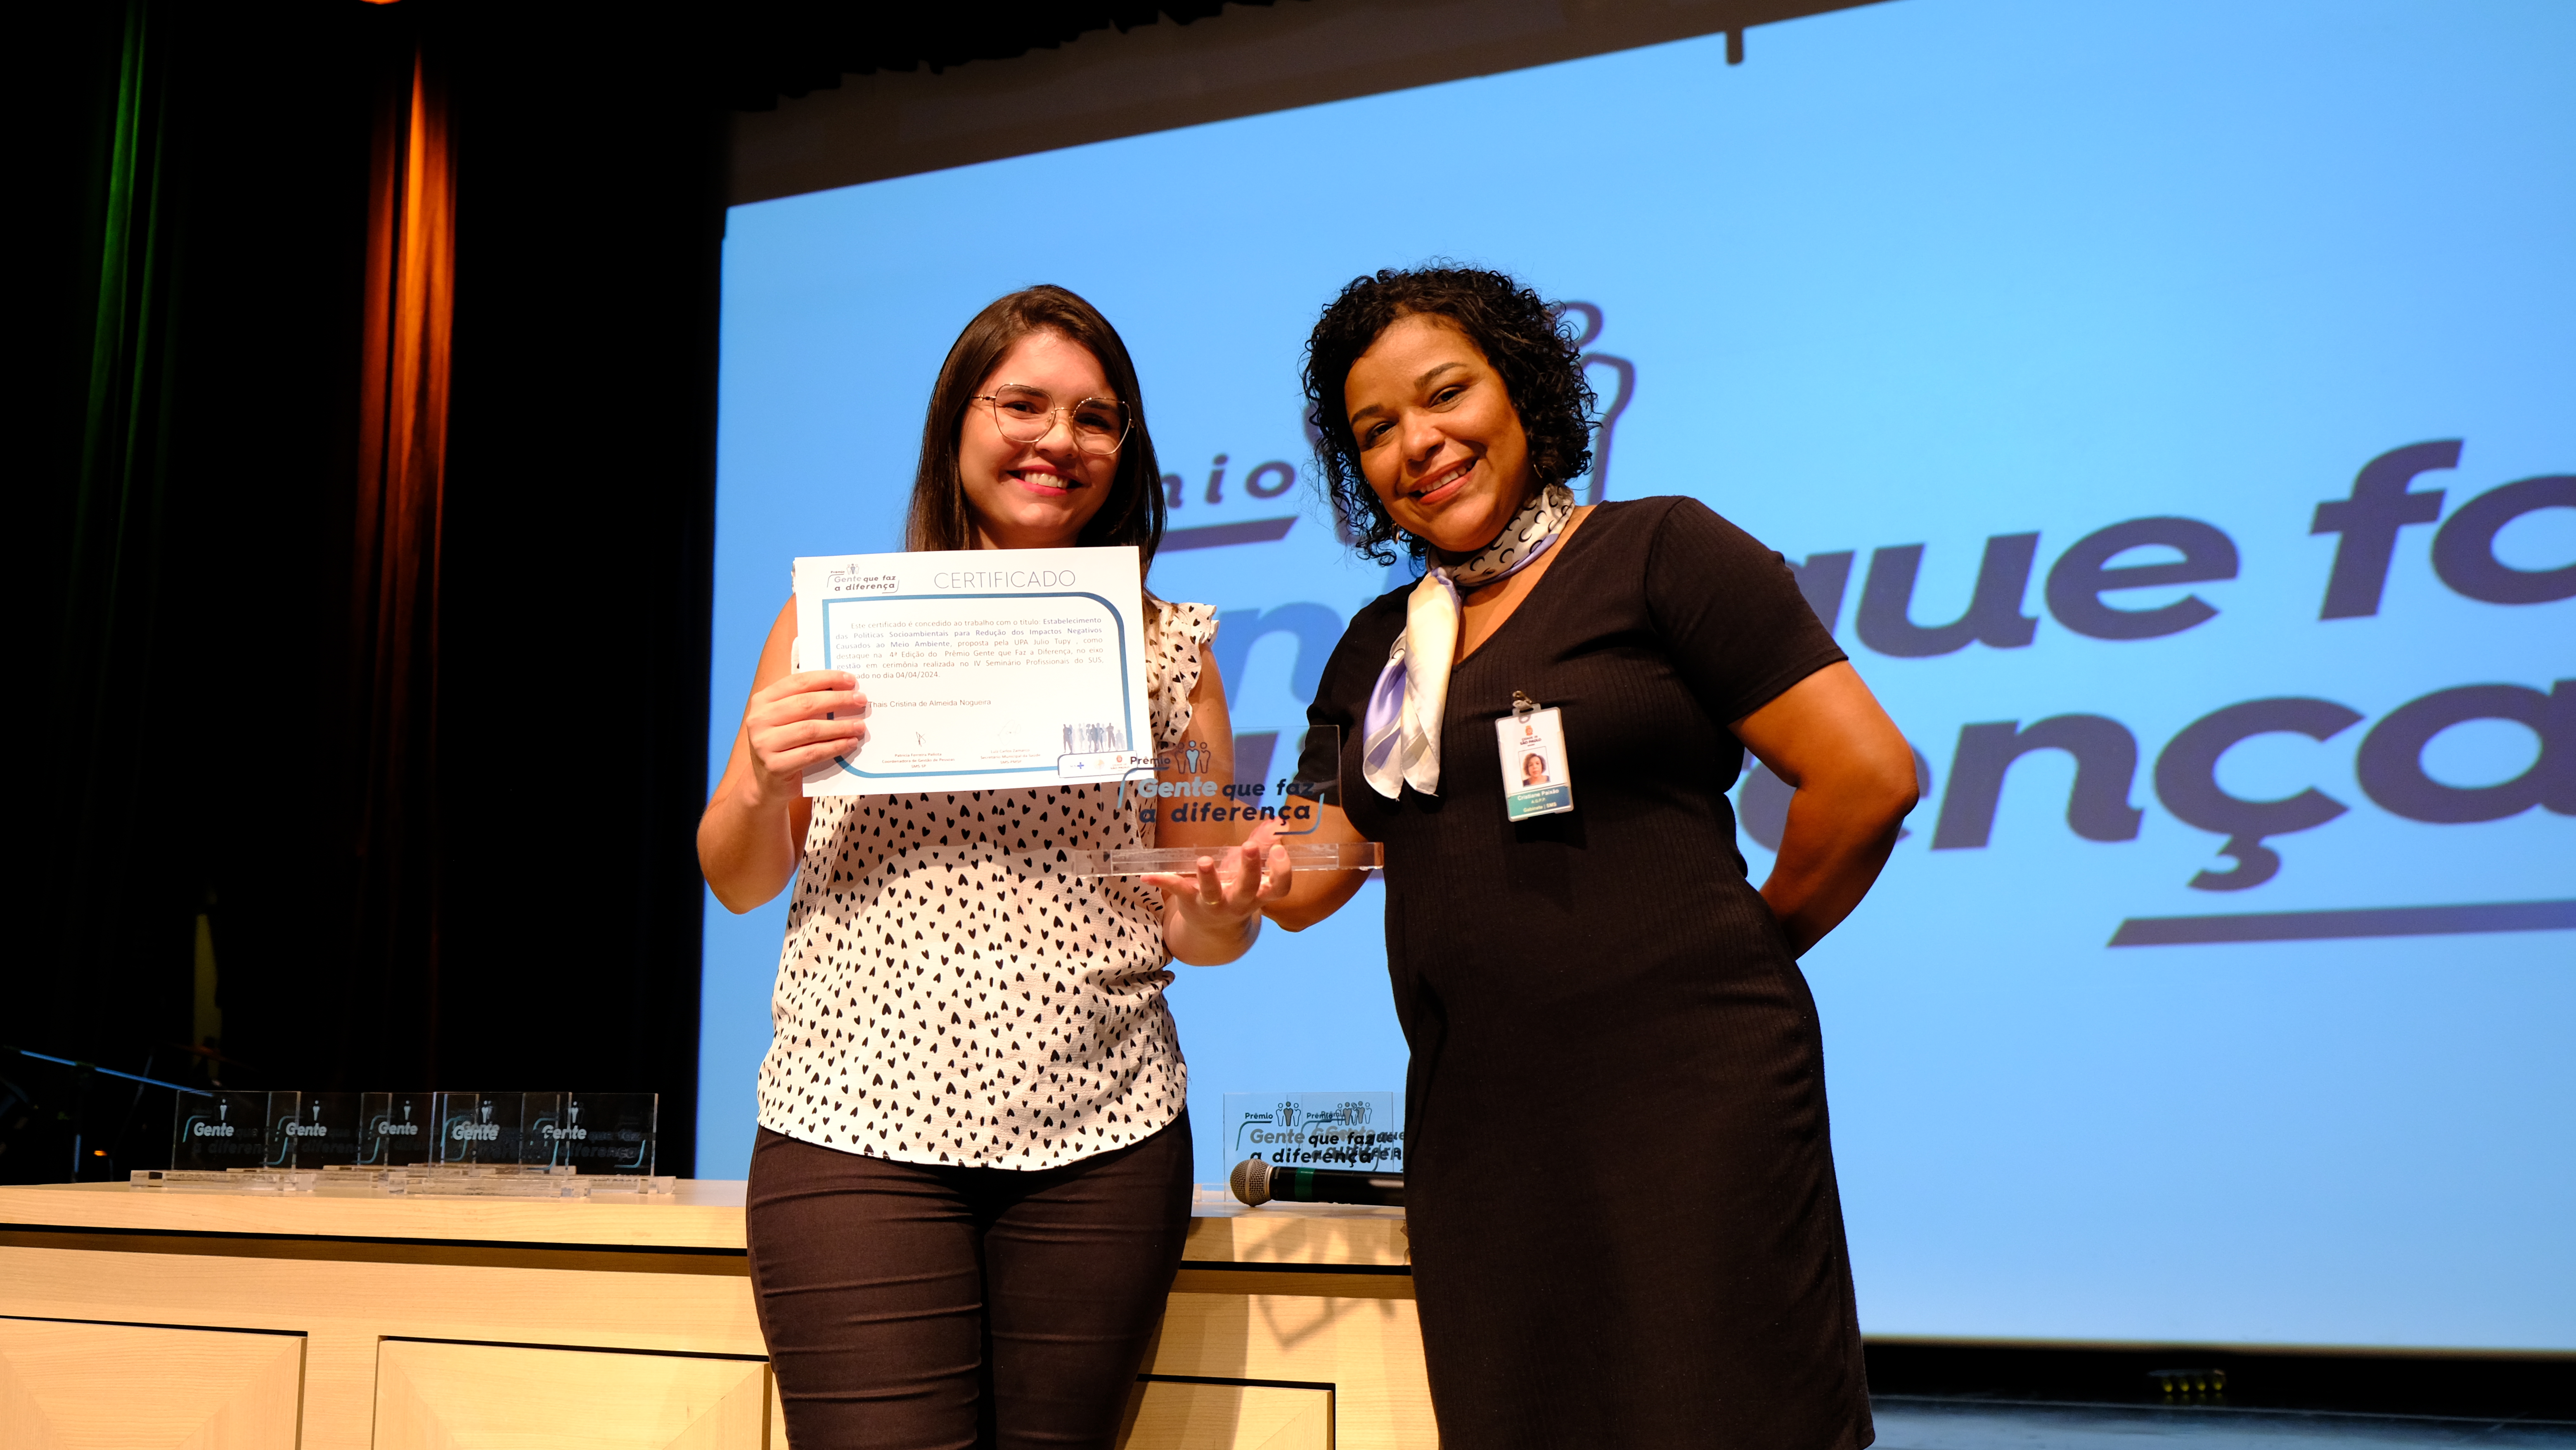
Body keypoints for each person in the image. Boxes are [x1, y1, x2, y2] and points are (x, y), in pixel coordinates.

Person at [1261, 267, 1918, 1448]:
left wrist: (1745, 948)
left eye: (1446, 394)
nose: (1419, 444)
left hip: (1692, 1098)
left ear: (1524, 393)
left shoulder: (1661, 551)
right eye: (1375, 432)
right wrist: (1217, 861)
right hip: (1482, 1124)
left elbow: (1869, 779)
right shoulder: (1375, 651)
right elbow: (1313, 870)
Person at [697, 284, 1286, 1450]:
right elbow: (736, 876)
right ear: (957, 422)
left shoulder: (1176, 649)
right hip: (852, 1129)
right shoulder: (833, 623)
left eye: (1097, 418)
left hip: (1103, 1141)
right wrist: (765, 778)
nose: (1060, 440)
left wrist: (1228, 906)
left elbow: (1208, 928)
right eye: (1024, 404)